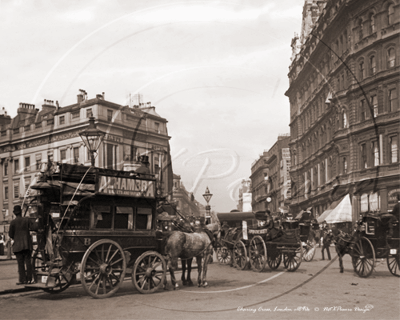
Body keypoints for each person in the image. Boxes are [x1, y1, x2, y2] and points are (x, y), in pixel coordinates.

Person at [9, 205, 36, 285]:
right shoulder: (26, 220)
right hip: (27, 245)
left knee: (20, 264)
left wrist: (16, 237)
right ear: (21, 212)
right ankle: (29, 279)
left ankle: (22, 280)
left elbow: (11, 234)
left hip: (18, 246)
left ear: (14, 213)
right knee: (28, 262)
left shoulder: (13, 222)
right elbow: (33, 227)